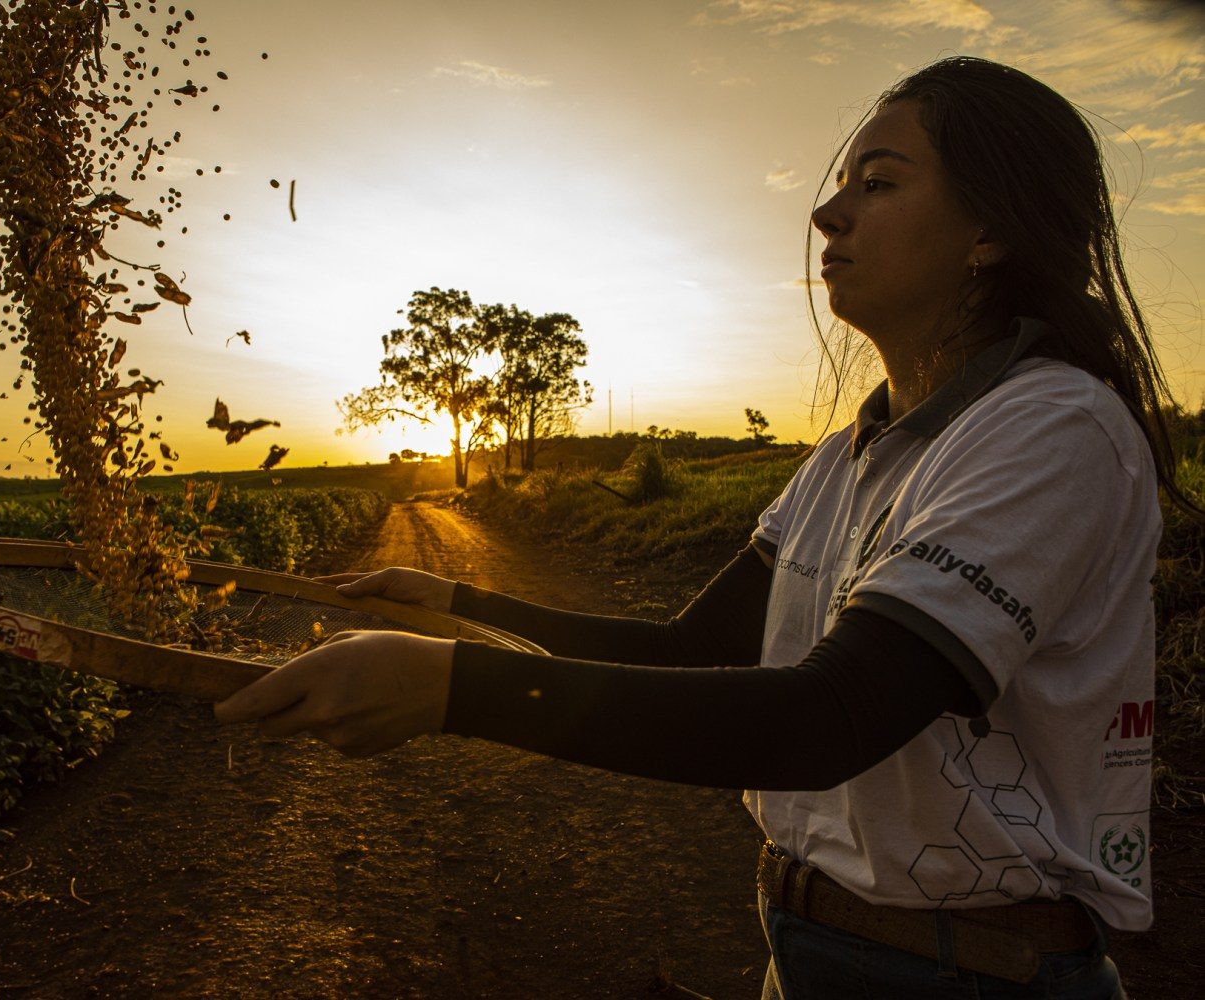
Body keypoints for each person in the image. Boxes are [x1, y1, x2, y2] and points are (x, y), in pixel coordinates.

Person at [214, 57, 1195, 998]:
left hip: (972, 976)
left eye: (879, 182)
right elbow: (696, 649)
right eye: (842, 180)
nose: (828, 210)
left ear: (991, 229)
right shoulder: (847, 457)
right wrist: (455, 603)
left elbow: (829, 717)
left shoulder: (1054, 428)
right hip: (812, 946)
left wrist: (450, 688)